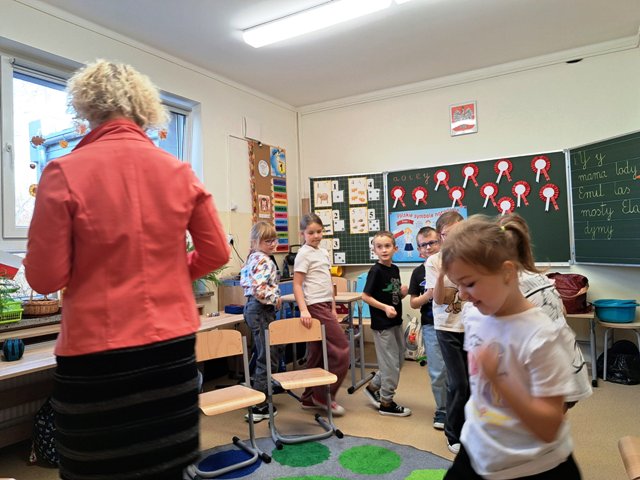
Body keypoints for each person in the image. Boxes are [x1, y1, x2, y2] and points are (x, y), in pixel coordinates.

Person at [23, 59, 230, 480]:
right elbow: (215, 253)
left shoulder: (63, 171)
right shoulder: (179, 171)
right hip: (169, 351)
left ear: (86, 107)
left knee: (97, 470)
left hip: (94, 354)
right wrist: (172, 273)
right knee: (166, 468)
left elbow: (44, 278)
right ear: (144, 107)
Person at [441, 215, 583, 480]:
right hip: (479, 450)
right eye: (457, 284)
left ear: (507, 272)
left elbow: (549, 427)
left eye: (469, 283)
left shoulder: (541, 335)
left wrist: (500, 380)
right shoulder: (474, 315)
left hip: (533, 466)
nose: (462, 295)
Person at [497, 214, 592, 410]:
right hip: (569, 365)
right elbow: (563, 313)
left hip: (546, 373)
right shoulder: (541, 277)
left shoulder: (509, 285)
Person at [293, 213, 349, 416]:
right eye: (311, 233)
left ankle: (309, 398)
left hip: (325, 305)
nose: (316, 236)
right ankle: (324, 395)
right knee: (342, 349)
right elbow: (297, 285)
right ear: (302, 234)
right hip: (314, 306)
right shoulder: (303, 254)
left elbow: (327, 282)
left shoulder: (323, 252)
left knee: (316, 354)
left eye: (319, 231)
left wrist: (333, 307)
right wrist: (303, 309)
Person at [424, 210, 467, 454]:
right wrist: (443, 273)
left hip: (472, 326)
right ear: (441, 236)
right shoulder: (434, 261)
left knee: (472, 382)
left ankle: (469, 428)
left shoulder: (472, 255)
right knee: (458, 383)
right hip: (447, 327)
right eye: (448, 234)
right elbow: (439, 299)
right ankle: (452, 433)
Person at [361, 231, 411, 416]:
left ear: (395, 248)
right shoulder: (375, 271)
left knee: (398, 360)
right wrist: (384, 308)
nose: (384, 250)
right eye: (379, 247)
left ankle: (373, 387)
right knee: (391, 365)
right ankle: (386, 402)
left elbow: (393, 296)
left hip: (396, 321)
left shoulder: (394, 269)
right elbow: (365, 296)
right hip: (383, 324)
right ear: (374, 250)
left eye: (387, 246)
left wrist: (402, 293)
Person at [240, 221, 282, 422]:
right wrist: (276, 299)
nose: (273, 244)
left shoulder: (252, 257)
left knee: (262, 352)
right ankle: (260, 405)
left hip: (252, 308)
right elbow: (259, 290)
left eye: (274, 240)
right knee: (267, 356)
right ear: (256, 241)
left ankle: (259, 387)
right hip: (261, 309)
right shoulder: (264, 260)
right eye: (268, 241)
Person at [408, 226, 448, 429]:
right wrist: (429, 295)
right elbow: (413, 303)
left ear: (441, 242)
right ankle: (442, 410)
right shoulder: (418, 273)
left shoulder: (452, 265)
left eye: (432, 242)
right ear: (418, 249)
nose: (428, 247)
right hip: (431, 326)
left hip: (454, 325)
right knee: (438, 371)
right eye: (423, 245)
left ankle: (460, 408)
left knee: (459, 370)